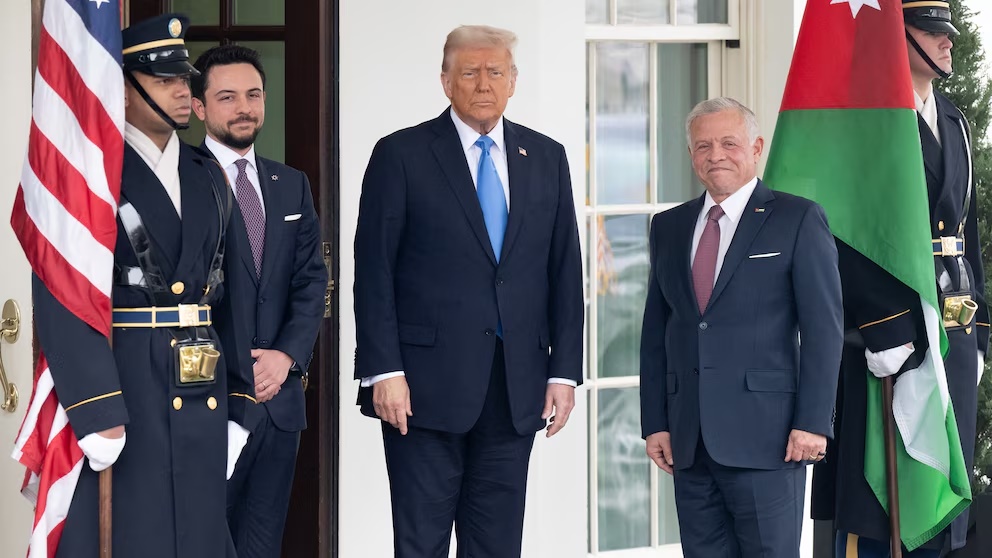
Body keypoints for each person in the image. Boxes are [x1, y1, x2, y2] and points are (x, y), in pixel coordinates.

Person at [353, 24, 584, 558]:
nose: (484, 83)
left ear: (513, 81)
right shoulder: (401, 154)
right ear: (445, 81)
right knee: (421, 544)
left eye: (495, 72)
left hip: (515, 387)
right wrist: (384, 371)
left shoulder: (547, 157)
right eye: (470, 72)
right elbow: (374, 271)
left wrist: (563, 371)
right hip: (420, 392)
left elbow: (564, 271)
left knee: (498, 544)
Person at [33, 14, 255, 558]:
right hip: (127, 381)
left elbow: (234, 293)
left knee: (197, 537)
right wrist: (95, 407)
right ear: (123, 90)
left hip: (201, 384)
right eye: (164, 81)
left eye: (186, 79)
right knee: (138, 532)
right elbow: (62, 291)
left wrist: (240, 398)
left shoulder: (208, 174)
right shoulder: (91, 177)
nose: (185, 92)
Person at [815, 3, 988, 556]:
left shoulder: (954, 118)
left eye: (949, 34)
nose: (946, 44)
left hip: (950, 324)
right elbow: (847, 232)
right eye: (933, 33)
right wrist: (883, 324)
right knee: (889, 501)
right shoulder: (867, 123)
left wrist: (977, 327)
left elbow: (967, 230)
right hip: (891, 336)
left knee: (943, 492)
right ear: (897, 39)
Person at [639, 97, 843, 558]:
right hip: (689, 442)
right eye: (703, 146)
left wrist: (813, 422)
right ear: (690, 155)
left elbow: (824, 330)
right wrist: (656, 420)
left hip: (770, 440)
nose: (716, 155)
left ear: (755, 147)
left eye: (729, 143)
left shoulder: (797, 219)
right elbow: (657, 332)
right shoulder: (668, 227)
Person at [191, 44, 327, 558]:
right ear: (200, 108)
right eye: (227, 97)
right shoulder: (182, 178)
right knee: (203, 542)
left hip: (280, 404)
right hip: (209, 400)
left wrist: (286, 355)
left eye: (253, 94)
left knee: (261, 544)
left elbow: (311, 281)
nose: (243, 107)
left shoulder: (291, 184)